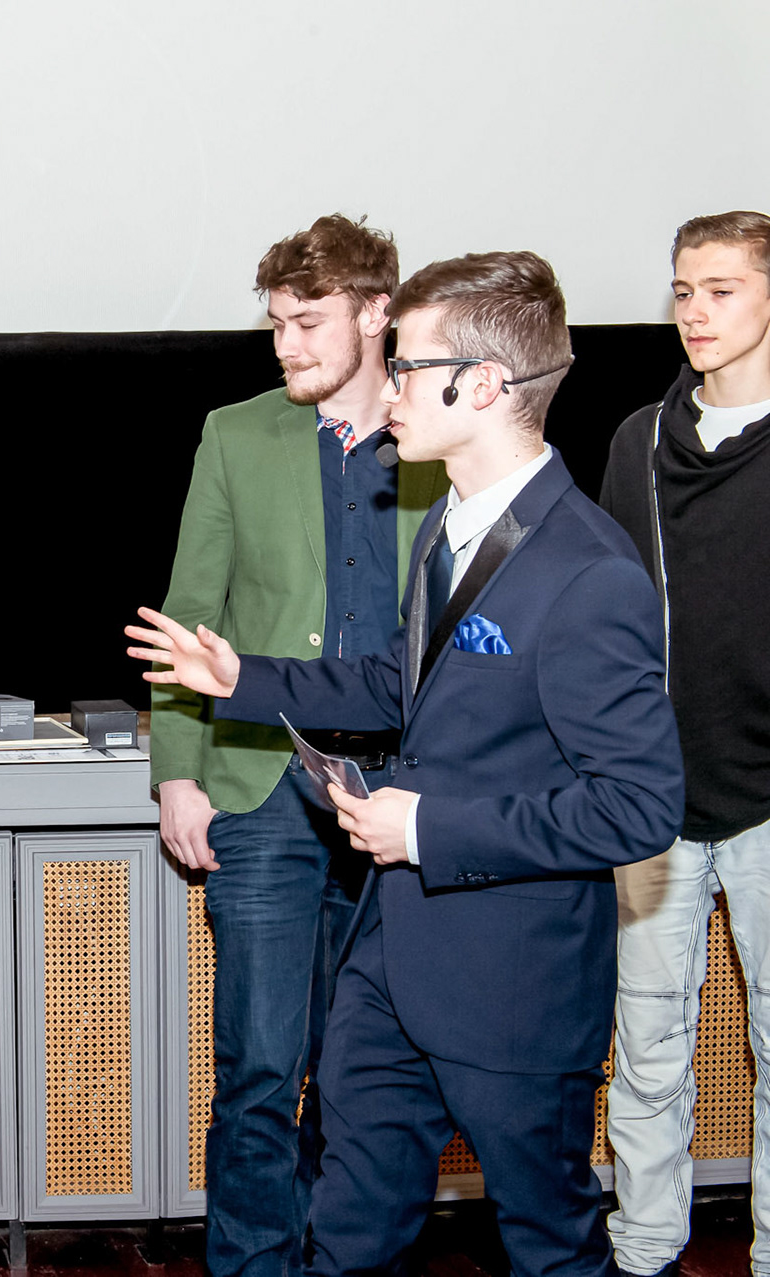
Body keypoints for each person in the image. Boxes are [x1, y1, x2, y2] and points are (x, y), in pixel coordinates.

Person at [128, 251, 684, 1277]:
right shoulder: (445, 528)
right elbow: (396, 684)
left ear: (483, 385)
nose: (389, 389)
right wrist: (243, 676)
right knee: (348, 1233)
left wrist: (425, 826)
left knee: (552, 1245)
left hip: (513, 982)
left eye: (412, 367)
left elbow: (640, 807)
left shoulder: (589, 571)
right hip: (392, 963)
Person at [148, 213, 448, 1277]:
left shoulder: (441, 433)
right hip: (263, 786)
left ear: (377, 314)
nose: (286, 345)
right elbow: (191, 613)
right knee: (260, 1072)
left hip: (404, 795)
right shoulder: (236, 434)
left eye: (307, 322)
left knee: (371, 1076)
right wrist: (177, 774)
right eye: (276, 323)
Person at [598, 210, 770, 1277]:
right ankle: (644, 1248)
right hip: (655, 801)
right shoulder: (639, 441)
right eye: (682, 290)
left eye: (721, 289)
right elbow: (606, 616)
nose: (695, 311)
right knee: (647, 1048)